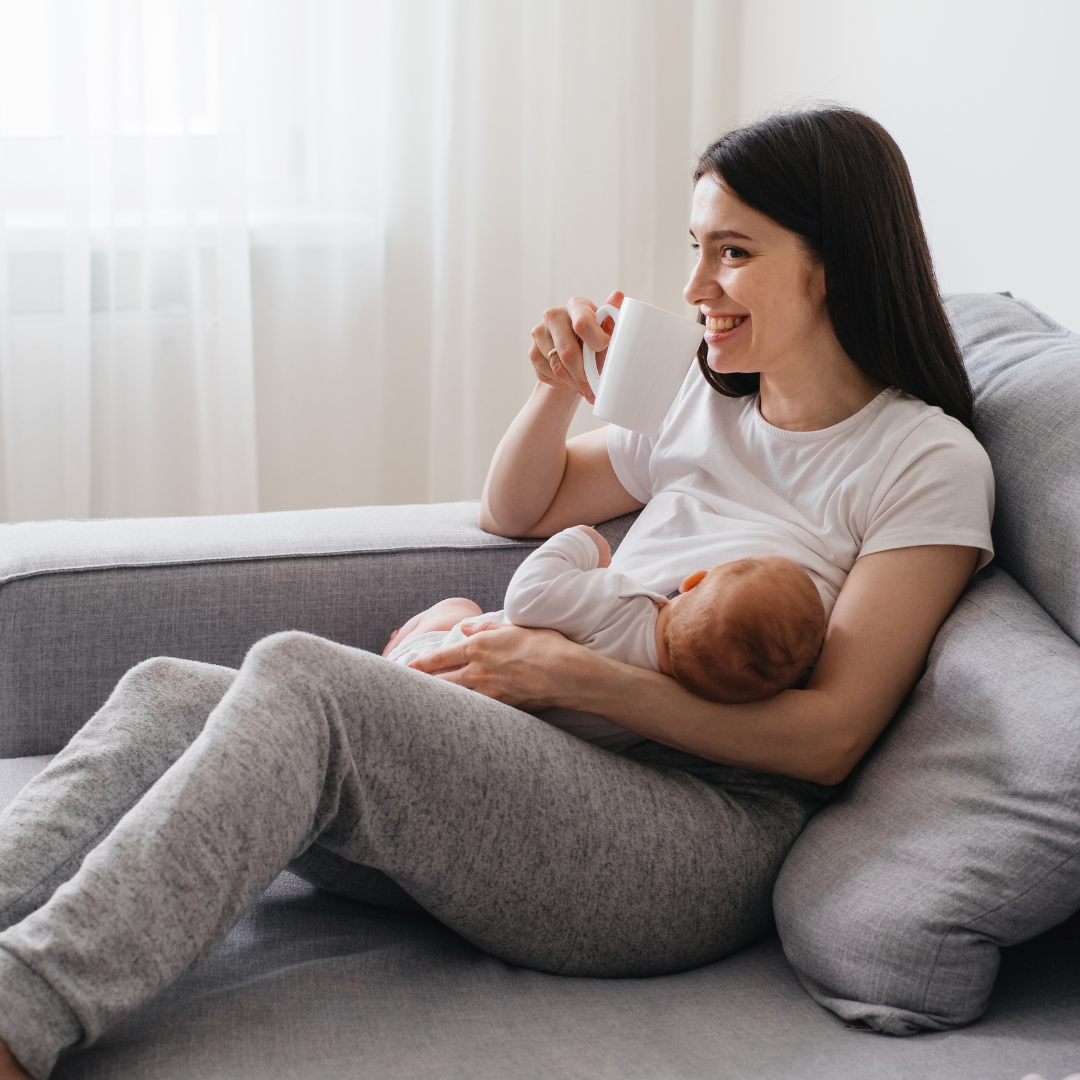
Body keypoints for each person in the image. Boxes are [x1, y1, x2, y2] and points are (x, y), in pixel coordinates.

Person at [0, 107, 994, 1080]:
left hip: (693, 838)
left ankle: (19, 1019)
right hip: (540, 767)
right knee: (169, 691)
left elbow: (830, 735)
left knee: (305, 681)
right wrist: (559, 384)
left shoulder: (921, 460)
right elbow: (518, 507)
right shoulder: (706, 398)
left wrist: (572, 673)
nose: (695, 286)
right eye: (694, 248)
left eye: (731, 253)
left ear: (836, 261)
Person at [384, 523, 826, 749]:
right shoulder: (658, 715)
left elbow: (526, 597)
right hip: (492, 726)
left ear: (692, 581)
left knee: (459, 609)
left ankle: (399, 649)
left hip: (440, 671)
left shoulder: (617, 604)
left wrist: (581, 542)